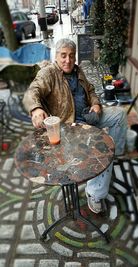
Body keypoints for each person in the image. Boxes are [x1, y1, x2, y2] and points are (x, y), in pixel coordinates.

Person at [23, 38, 127, 214]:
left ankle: (114, 155)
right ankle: (96, 193)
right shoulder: (49, 73)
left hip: (89, 115)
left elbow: (91, 90)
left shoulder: (78, 71)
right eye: (63, 56)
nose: (68, 60)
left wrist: (96, 104)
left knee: (119, 115)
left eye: (71, 56)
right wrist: (36, 109)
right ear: (56, 56)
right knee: (101, 150)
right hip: (69, 125)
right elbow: (32, 92)